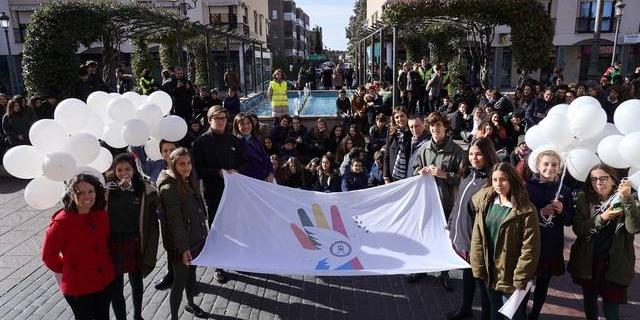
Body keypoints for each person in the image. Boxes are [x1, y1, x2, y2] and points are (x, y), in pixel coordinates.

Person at [568, 165, 640, 320]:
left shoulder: (627, 199)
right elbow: (579, 229)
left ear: (614, 181)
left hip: (616, 261)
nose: (598, 183)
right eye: (594, 179)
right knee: (590, 299)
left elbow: (634, 228)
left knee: (611, 304)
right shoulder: (584, 199)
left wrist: (627, 199)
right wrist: (603, 217)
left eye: (603, 178)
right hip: (590, 259)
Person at [470, 162, 541, 320]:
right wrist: (478, 266)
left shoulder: (526, 210)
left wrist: (520, 277)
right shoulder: (486, 203)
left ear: (512, 181)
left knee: (514, 315)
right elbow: (477, 237)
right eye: (495, 180)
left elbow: (530, 248)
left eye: (503, 180)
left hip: (512, 276)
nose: (498, 184)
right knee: (495, 312)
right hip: (490, 273)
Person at [42, 174, 114, 320]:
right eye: (80, 192)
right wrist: (69, 268)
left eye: (91, 191)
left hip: (104, 280)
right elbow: (48, 256)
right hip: (78, 286)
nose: (87, 196)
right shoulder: (61, 223)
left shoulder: (101, 215)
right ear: (71, 194)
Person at [411, 112, 466, 288]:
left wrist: (445, 175)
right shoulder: (424, 147)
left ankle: (444, 273)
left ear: (445, 127)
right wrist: (419, 171)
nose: (435, 129)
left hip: (446, 202)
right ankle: (422, 268)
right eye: (432, 127)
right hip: (426, 202)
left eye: (439, 126)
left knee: (445, 239)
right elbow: (414, 169)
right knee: (424, 236)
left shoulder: (457, 151)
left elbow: (463, 178)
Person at [192, 106, 245, 282]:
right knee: (216, 229)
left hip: (234, 194)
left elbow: (245, 162)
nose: (221, 121)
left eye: (224, 117)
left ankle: (236, 260)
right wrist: (217, 173)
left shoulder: (234, 141)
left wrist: (237, 170)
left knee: (235, 228)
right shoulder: (201, 143)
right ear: (209, 120)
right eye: (217, 118)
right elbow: (197, 169)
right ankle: (219, 266)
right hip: (214, 193)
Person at [446, 137, 497, 320]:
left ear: (488, 155)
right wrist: (451, 225)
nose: (474, 158)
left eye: (479, 154)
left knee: (483, 286)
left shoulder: (490, 183)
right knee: (467, 277)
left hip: (477, 244)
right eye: (471, 154)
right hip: (462, 238)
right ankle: (465, 309)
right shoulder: (468, 175)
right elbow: (458, 204)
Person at [105, 154, 159, 320]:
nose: (124, 173)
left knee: (136, 281)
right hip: (114, 243)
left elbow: (152, 217)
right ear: (114, 171)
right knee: (116, 286)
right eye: (119, 170)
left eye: (127, 169)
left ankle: (137, 315)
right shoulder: (108, 191)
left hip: (135, 242)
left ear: (134, 170)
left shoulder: (143, 189)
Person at [157, 148, 209, 319]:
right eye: (181, 164)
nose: (186, 167)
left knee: (191, 275)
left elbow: (198, 207)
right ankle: (174, 317)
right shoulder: (169, 186)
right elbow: (175, 222)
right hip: (180, 245)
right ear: (173, 164)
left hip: (194, 239)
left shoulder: (187, 178)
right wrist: (183, 248)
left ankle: (190, 303)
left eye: (188, 163)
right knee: (179, 281)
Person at [524, 150, 573, 320]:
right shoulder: (528, 187)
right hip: (530, 243)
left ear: (559, 168)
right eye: (545, 164)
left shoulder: (564, 191)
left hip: (551, 244)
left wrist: (561, 212)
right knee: (524, 282)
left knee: (543, 283)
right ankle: (519, 312)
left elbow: (569, 220)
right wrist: (539, 212)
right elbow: (520, 214)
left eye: (554, 164)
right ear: (538, 166)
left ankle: (535, 314)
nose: (550, 168)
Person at [233, 112, 274, 182]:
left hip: (265, 179)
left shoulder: (256, 140)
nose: (246, 126)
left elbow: (265, 157)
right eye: (242, 124)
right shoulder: (235, 143)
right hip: (251, 182)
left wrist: (271, 173)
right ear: (237, 126)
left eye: (248, 123)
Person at [383, 107, 411, 183]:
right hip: (393, 176)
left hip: (408, 176)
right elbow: (386, 155)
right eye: (397, 117)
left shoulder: (412, 133)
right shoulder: (391, 133)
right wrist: (386, 176)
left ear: (407, 116)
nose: (400, 119)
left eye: (402, 116)